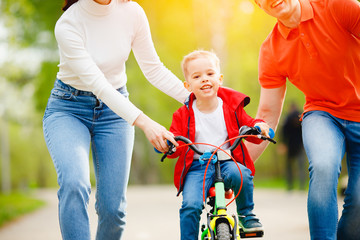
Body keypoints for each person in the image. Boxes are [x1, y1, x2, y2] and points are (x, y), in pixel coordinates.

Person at [42, 0, 189, 239]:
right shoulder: (68, 24)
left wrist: (194, 98)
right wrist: (145, 122)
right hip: (68, 108)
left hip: (114, 113)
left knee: (113, 209)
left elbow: (153, 69)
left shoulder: (132, 12)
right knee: (74, 183)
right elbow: (100, 85)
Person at [245, 0, 360, 239]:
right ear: (259, 5)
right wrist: (239, 163)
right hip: (322, 114)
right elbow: (266, 114)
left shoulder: (336, 6)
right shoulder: (271, 50)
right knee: (323, 165)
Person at [165, 50, 271, 240]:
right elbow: (174, 139)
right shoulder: (182, 114)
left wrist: (258, 128)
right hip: (198, 167)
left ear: (220, 78)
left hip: (226, 161)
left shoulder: (231, 107)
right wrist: (168, 144)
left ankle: (247, 215)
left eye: (210, 74)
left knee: (243, 174)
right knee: (190, 205)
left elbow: (248, 125)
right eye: (197, 76)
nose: (204, 79)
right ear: (188, 85)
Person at [281, 102, 306, 190]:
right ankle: (301, 186)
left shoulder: (287, 117)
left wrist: (283, 144)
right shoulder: (302, 117)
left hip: (291, 146)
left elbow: (283, 132)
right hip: (300, 145)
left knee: (290, 167)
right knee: (301, 167)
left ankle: (290, 186)